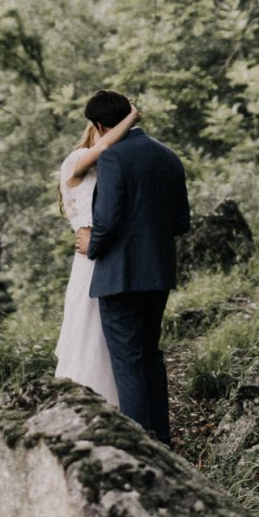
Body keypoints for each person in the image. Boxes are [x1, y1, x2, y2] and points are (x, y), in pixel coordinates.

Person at [75, 88, 190, 447]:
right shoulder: (169, 157)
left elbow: (106, 220)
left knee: (127, 362)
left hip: (119, 277)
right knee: (151, 356)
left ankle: (144, 447)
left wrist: (91, 245)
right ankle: (163, 443)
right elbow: (181, 222)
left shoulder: (113, 157)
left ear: (97, 124)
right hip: (157, 273)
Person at [54, 98, 141, 404]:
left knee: (109, 337)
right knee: (89, 334)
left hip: (106, 252)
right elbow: (102, 148)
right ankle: (90, 404)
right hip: (90, 259)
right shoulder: (76, 160)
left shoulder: (109, 164)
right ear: (98, 128)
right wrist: (131, 118)